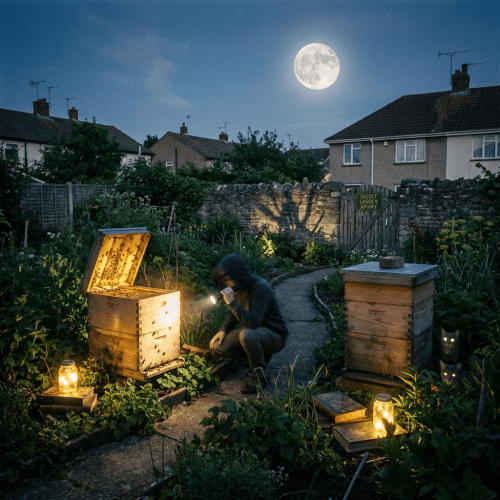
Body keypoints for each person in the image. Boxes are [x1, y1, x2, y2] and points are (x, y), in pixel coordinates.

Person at [208, 253, 289, 394]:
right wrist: (223, 330)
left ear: (237, 274)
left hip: (274, 335)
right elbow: (232, 315)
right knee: (217, 348)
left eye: (227, 278)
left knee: (247, 336)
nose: (226, 282)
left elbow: (253, 322)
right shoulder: (237, 288)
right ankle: (258, 357)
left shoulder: (261, 288)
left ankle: (259, 377)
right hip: (255, 333)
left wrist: (231, 302)